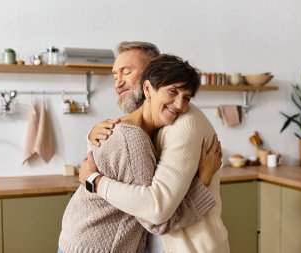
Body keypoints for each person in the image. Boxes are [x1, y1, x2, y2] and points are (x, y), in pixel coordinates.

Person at [79, 41, 229, 253]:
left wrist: (94, 181)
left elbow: (157, 209)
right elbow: (105, 155)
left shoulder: (182, 123)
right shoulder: (145, 125)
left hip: (188, 247)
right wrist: (91, 135)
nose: (118, 83)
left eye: (127, 72)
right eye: (115, 76)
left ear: (152, 74)